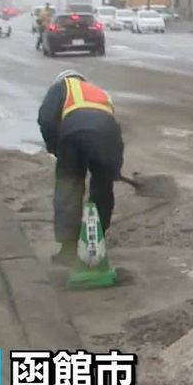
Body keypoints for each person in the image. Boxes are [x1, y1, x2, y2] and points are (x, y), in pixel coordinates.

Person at [37, 70, 125, 266]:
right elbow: (116, 133)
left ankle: (68, 250)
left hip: (73, 134)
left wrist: (55, 146)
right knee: (102, 189)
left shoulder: (62, 86)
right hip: (106, 135)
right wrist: (114, 168)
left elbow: (47, 118)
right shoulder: (100, 92)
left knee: (69, 188)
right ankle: (96, 243)